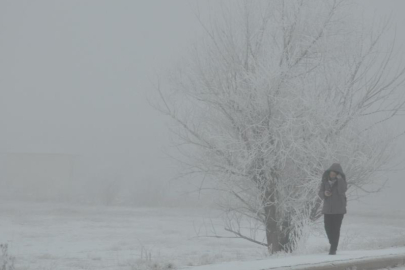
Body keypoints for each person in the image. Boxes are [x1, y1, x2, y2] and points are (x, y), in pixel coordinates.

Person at [318, 163, 348, 255]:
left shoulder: (341, 182)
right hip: (328, 210)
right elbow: (320, 192)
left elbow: (342, 190)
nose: (333, 174)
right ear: (329, 172)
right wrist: (325, 194)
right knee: (327, 228)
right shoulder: (325, 181)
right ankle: (333, 243)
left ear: (338, 174)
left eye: (335, 173)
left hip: (338, 210)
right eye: (332, 172)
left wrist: (339, 179)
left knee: (336, 229)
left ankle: (333, 249)